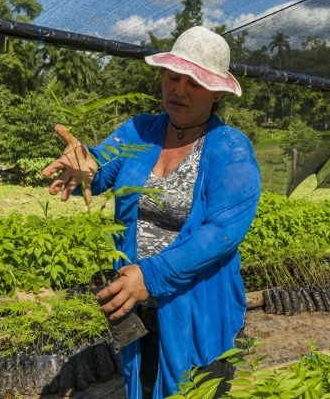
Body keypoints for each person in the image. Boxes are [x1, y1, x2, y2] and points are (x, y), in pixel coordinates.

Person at [41, 26, 261, 399]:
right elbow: (103, 165)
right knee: (143, 385)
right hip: (137, 303)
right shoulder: (140, 130)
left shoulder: (230, 149)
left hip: (197, 307)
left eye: (194, 83)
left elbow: (222, 231)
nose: (179, 89)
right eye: (172, 77)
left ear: (218, 93)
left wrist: (152, 275)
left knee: (196, 389)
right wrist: (87, 163)